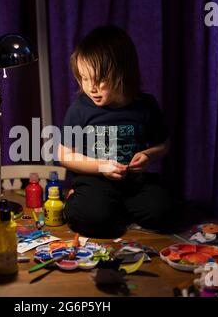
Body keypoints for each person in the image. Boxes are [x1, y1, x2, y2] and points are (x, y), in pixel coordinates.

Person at [58, 25, 175, 238]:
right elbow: (64, 155)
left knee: (164, 211)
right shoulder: (80, 109)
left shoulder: (145, 105)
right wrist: (101, 166)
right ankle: (79, 199)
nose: (91, 88)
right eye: (84, 78)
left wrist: (149, 155)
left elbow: (164, 144)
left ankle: (117, 210)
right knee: (90, 217)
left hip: (134, 181)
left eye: (99, 80)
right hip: (95, 180)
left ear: (123, 74)